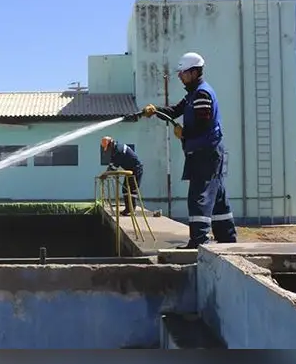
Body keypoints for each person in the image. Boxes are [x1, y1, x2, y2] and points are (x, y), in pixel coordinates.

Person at [142, 52, 237, 247]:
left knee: (199, 195)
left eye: (183, 72)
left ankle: (199, 240)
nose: (179, 76)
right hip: (207, 152)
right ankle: (227, 237)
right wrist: (156, 110)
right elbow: (175, 111)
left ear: (194, 72)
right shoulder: (192, 95)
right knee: (217, 195)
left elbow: (203, 124)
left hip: (205, 152)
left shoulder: (202, 94)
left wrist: (184, 133)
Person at [100, 136, 143, 216]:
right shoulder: (116, 149)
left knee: (132, 190)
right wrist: (106, 173)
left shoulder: (118, 150)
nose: (108, 150)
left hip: (136, 170)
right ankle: (128, 209)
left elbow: (114, 167)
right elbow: (111, 164)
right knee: (125, 189)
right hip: (130, 170)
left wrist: (106, 174)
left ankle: (131, 210)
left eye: (107, 148)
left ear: (110, 144)